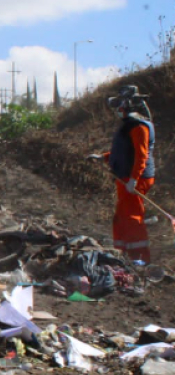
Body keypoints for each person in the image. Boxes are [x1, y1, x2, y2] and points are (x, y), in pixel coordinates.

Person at [87, 85, 155, 262]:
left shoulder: (139, 127)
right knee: (121, 216)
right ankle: (122, 253)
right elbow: (124, 152)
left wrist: (134, 179)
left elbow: (141, 155)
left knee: (132, 217)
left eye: (120, 107)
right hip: (126, 177)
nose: (118, 111)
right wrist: (103, 157)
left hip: (135, 179)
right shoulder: (129, 126)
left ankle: (140, 257)